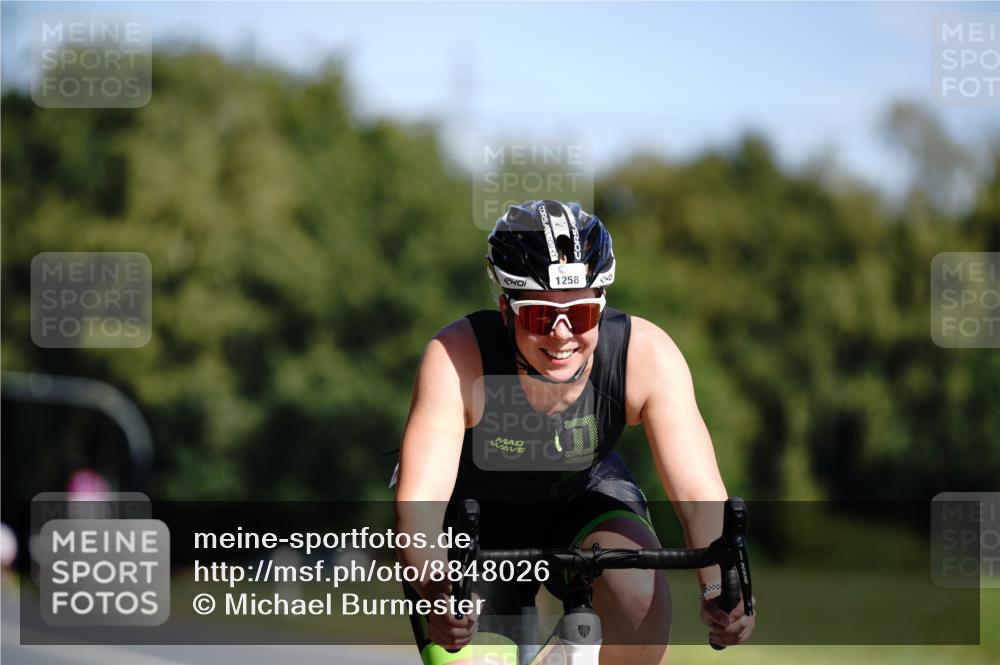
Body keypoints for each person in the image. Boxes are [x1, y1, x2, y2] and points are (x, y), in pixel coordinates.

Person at [394, 200, 754, 664]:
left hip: (582, 497)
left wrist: (721, 587)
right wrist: (435, 589)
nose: (563, 334)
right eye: (541, 316)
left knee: (639, 593)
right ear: (507, 310)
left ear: (602, 307)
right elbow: (418, 510)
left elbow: (699, 496)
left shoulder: (646, 356)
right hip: (474, 523)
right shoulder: (456, 357)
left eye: (581, 315)